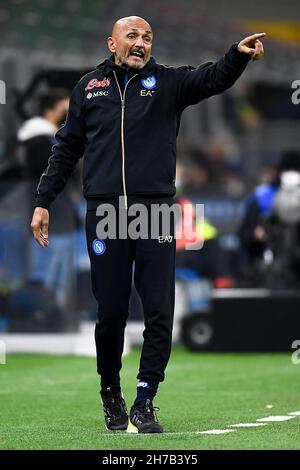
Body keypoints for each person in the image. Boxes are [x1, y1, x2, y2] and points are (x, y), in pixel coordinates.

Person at [30, 16, 265, 433]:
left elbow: (211, 79)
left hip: (154, 211)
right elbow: (66, 148)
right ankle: (110, 393)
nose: (141, 43)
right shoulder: (89, 87)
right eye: (132, 36)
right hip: (104, 214)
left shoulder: (169, 83)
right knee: (111, 312)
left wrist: (236, 57)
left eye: (147, 37)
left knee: (159, 310)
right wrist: (43, 200)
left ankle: (145, 399)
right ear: (112, 43)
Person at [18, 90, 77, 309]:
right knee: (44, 275)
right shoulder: (38, 140)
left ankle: (54, 315)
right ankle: (40, 315)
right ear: (50, 111)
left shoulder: (54, 137)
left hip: (62, 219)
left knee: (60, 276)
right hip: (48, 218)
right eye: (65, 110)